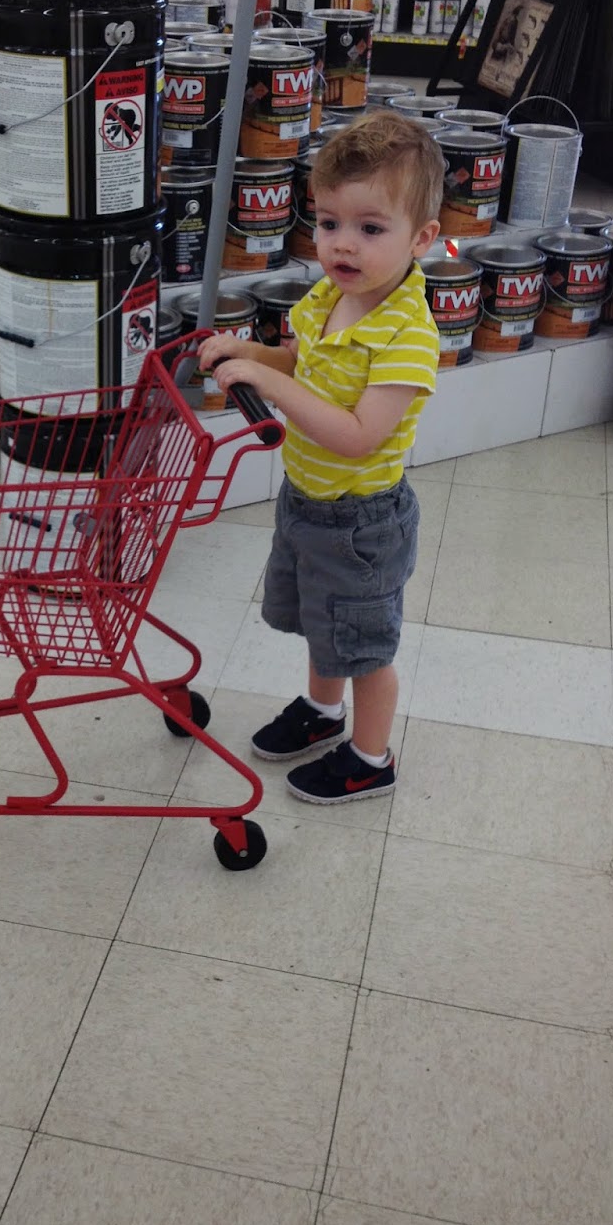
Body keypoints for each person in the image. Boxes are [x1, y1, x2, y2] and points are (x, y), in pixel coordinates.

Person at [199, 110, 443, 803]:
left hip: (362, 524)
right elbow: (299, 365)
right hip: (307, 501)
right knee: (324, 622)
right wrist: (251, 352)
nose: (343, 244)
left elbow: (359, 435)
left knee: (364, 648)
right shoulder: (331, 294)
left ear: (422, 237)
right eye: (330, 222)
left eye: (371, 228)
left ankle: (370, 758)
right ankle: (322, 711)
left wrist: (270, 383)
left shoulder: (407, 336)